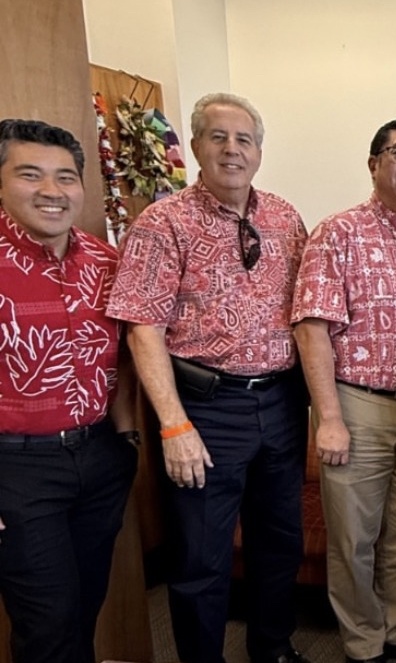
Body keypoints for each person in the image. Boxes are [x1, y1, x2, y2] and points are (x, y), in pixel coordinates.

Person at [108, 93, 310, 663]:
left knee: (279, 544)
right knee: (202, 554)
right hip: (206, 408)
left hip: (280, 404)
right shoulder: (162, 222)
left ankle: (272, 647)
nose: (232, 149)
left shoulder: (284, 217)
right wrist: (173, 425)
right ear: (195, 146)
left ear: (260, 151)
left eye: (244, 139)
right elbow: (142, 330)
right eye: (218, 137)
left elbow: (307, 310)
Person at [291, 118, 396, 663]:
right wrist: (329, 417)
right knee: (354, 539)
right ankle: (364, 645)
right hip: (356, 406)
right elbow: (312, 327)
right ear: (374, 164)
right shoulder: (337, 232)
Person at [0, 119, 139, 663]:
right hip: (16, 469)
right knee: (47, 622)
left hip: (100, 455)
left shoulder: (106, 262)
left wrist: (127, 440)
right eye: (31, 175)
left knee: (85, 604)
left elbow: (128, 355)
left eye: (65, 177)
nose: (52, 192)